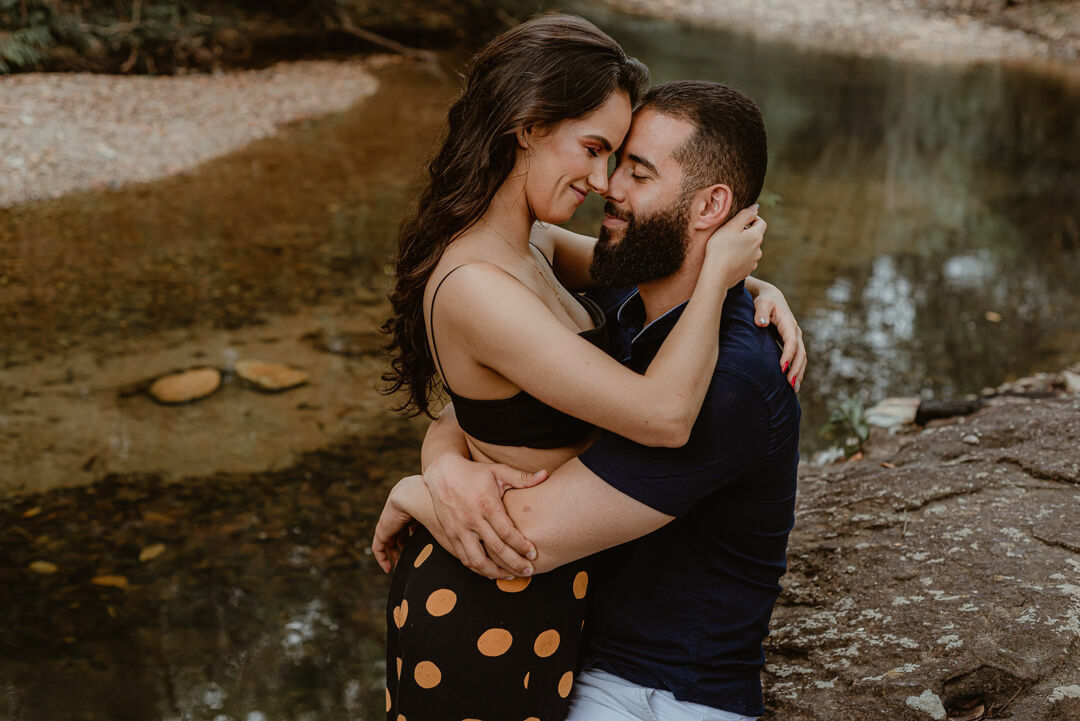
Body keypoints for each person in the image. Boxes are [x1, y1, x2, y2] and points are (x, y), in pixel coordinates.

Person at [376, 13, 805, 721]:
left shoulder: (538, 249)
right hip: (486, 604)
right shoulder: (492, 280)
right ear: (528, 127)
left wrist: (749, 282)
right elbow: (648, 412)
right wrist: (430, 478)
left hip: (597, 648)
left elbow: (638, 296)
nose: (605, 182)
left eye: (626, 164)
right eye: (598, 150)